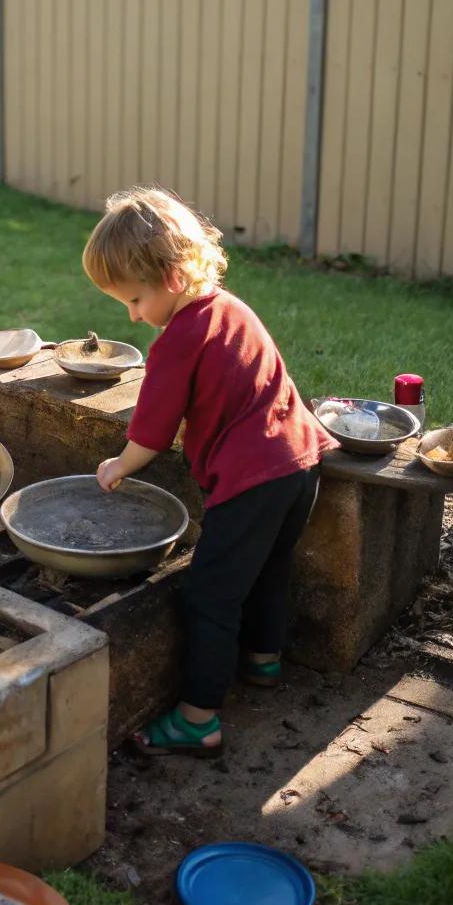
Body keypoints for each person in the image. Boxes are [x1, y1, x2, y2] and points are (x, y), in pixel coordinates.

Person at [82, 186, 336, 756]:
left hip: (251, 481)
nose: (133, 315)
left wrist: (118, 465)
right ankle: (264, 661)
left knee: (209, 593)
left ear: (171, 278)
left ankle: (199, 718)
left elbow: (151, 429)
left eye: (135, 300)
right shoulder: (231, 308)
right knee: (269, 566)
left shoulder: (179, 339)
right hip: (301, 466)